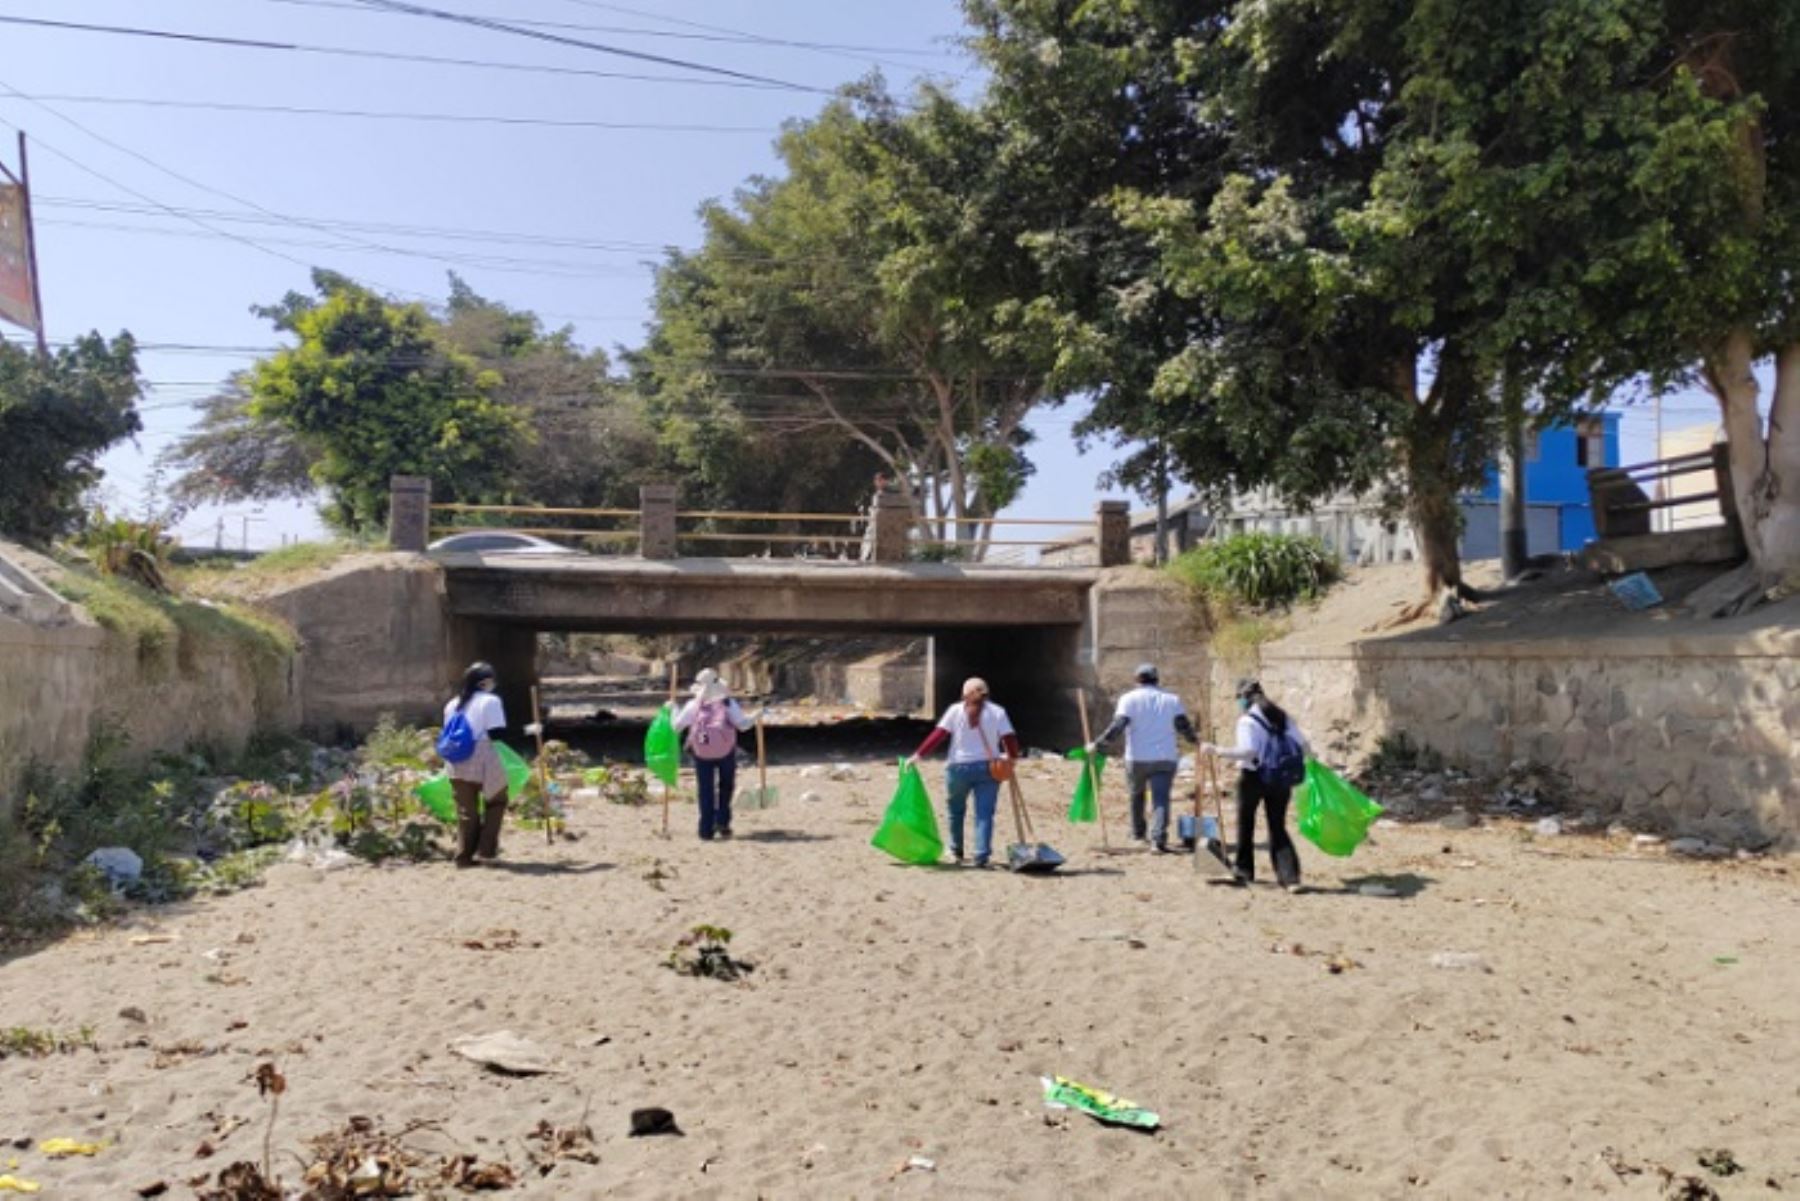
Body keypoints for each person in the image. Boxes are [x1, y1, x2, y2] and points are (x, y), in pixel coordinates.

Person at [1203, 679, 1309, 890]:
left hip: (1254, 777)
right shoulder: (1283, 717)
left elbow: (1248, 751)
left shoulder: (1247, 721)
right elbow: (1304, 745)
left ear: (1244, 698)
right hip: (1281, 779)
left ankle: (1244, 871)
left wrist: (1217, 750)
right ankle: (1290, 878)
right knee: (1277, 826)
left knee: (1245, 825)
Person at [906, 677, 1022, 867]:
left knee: (955, 811)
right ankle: (981, 855)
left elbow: (938, 736)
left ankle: (956, 850)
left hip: (958, 768)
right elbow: (1009, 739)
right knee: (984, 814)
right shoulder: (997, 712)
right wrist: (1012, 758)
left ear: (964, 694)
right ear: (987, 693)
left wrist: (918, 755)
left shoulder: (955, 711)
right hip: (988, 769)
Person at [1089, 663, 1199, 853]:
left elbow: (1117, 727)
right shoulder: (1172, 700)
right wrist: (1197, 743)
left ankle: (1138, 832)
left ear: (1137, 679)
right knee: (1161, 799)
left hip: (1137, 758)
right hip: (1165, 757)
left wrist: (1098, 745)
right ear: (1157, 679)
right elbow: (1184, 727)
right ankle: (1158, 840)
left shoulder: (1128, 699)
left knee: (1136, 795)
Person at [443, 661, 523, 868]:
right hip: (483, 755)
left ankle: (463, 856)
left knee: (466, 810)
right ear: (485, 682)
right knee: (496, 801)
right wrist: (528, 731)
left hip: (455, 760)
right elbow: (496, 734)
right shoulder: (490, 701)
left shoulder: (452, 704)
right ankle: (486, 850)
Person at [672, 669, 757, 841]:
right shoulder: (728, 703)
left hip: (701, 752)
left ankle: (705, 830)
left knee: (705, 790)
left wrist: (673, 708)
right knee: (726, 787)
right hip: (726, 751)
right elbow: (742, 725)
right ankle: (722, 821)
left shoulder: (692, 706)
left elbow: (676, 727)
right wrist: (757, 716)